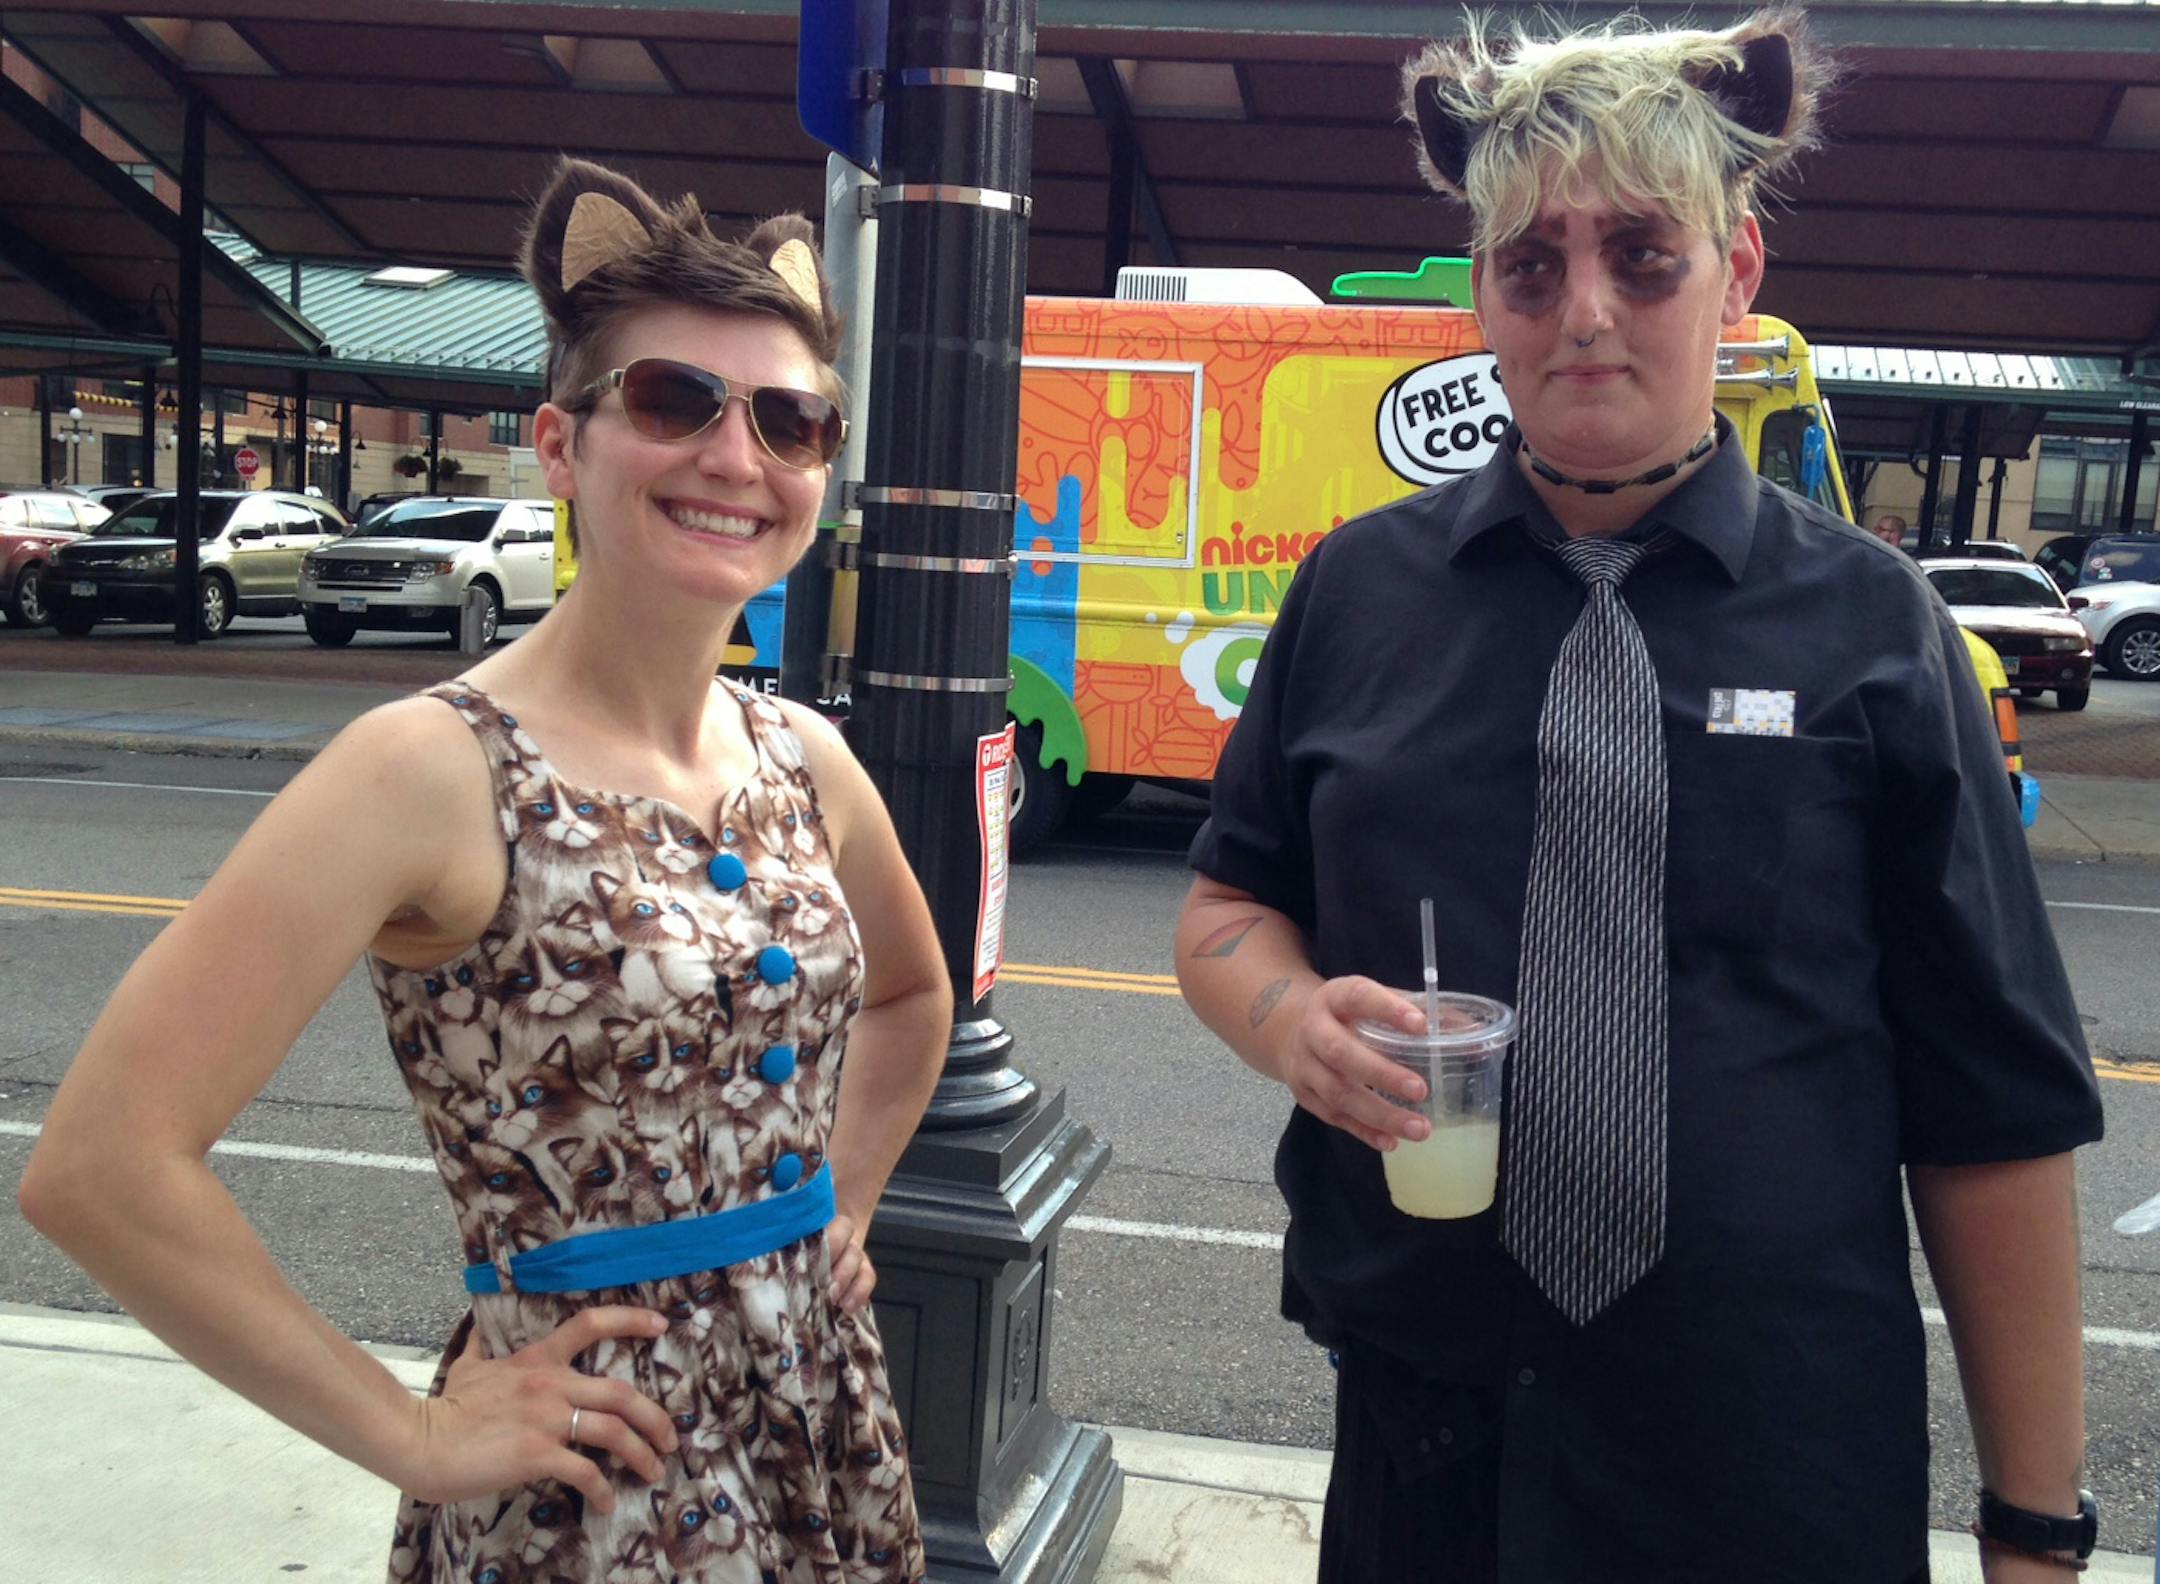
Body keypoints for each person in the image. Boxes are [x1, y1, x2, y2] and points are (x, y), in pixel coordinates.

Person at [1173, 11, 2102, 1583]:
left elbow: (1992, 1113)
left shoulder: (1876, 631)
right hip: (1425, 1445)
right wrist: (1284, 1020)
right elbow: (1225, 903)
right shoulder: (1357, 595)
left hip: (1770, 1460)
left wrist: (2035, 1530)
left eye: (1643, 257)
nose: (1584, 312)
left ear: (1735, 273)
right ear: (1481, 294)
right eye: (1532, 266)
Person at [21, 158, 950, 1583]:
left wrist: (845, 1200)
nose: (735, 455)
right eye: (671, 400)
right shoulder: (427, 769)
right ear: (561, 444)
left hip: (820, 1421)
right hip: (594, 1476)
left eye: (790, 420)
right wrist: (416, 1435)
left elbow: (910, 997)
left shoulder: (802, 756)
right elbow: (101, 1167)